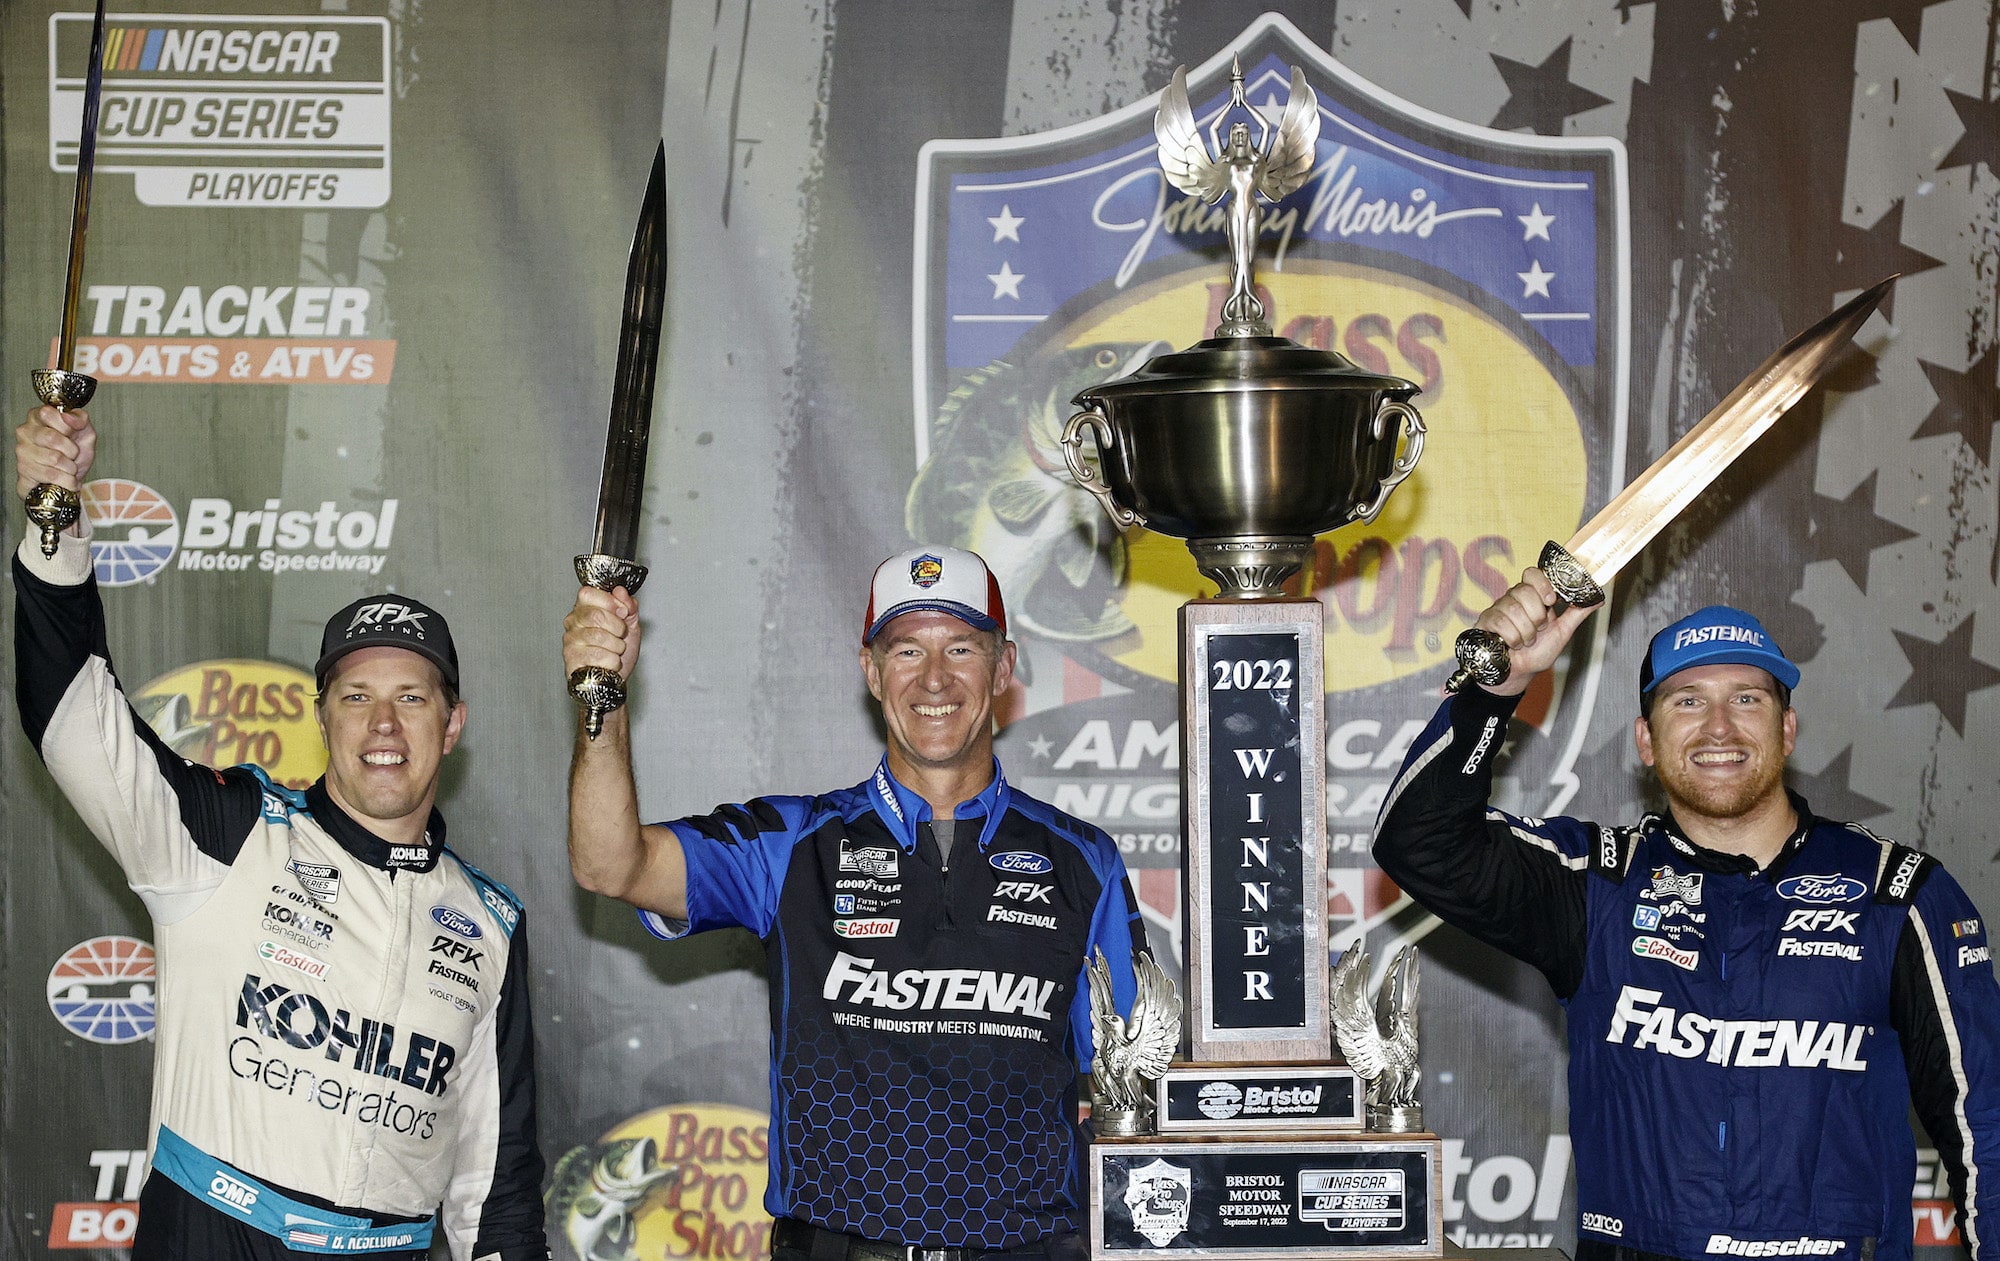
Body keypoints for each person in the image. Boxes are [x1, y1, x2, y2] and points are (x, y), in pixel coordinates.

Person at [14, 405, 549, 1261]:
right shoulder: (229, 834)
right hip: (212, 1234)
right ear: (321, 718)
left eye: (412, 697)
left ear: (452, 726)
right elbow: (78, 722)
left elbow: (499, 1183)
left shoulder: (490, 923)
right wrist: (57, 520)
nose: (383, 722)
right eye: (355, 695)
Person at [1374, 569, 2000, 1260]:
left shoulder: (1896, 893)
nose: (1719, 726)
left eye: (1748, 698)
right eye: (1687, 701)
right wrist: (1494, 683)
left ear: (1787, 728)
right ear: (1646, 741)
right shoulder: (1594, 882)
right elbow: (1418, 842)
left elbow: (1987, 1129)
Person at [563, 544, 1148, 1259]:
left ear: (1003, 668)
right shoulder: (790, 842)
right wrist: (604, 695)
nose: (934, 678)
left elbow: (1134, 1093)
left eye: (961, 647)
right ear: (871, 671)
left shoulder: (1082, 859)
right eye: (906, 650)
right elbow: (608, 862)